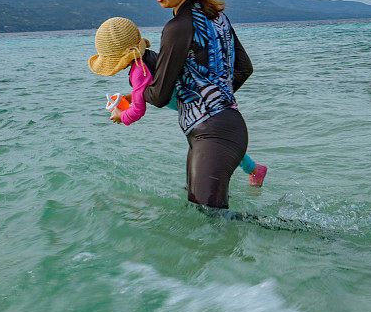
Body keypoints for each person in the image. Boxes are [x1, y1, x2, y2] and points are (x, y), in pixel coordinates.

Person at [132, 0, 257, 208]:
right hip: (223, 129)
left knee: (210, 218)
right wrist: (215, 99)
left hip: (213, 135)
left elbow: (159, 94)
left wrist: (135, 82)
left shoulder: (177, 27)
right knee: (204, 216)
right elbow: (244, 68)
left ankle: (319, 238)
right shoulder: (218, 17)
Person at [88, 16, 267, 186]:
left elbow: (138, 111)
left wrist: (121, 116)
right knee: (224, 143)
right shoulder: (148, 58)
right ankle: (254, 170)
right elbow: (151, 87)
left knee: (220, 145)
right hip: (201, 103)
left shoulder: (137, 72)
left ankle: (252, 170)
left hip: (198, 112)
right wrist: (131, 96)